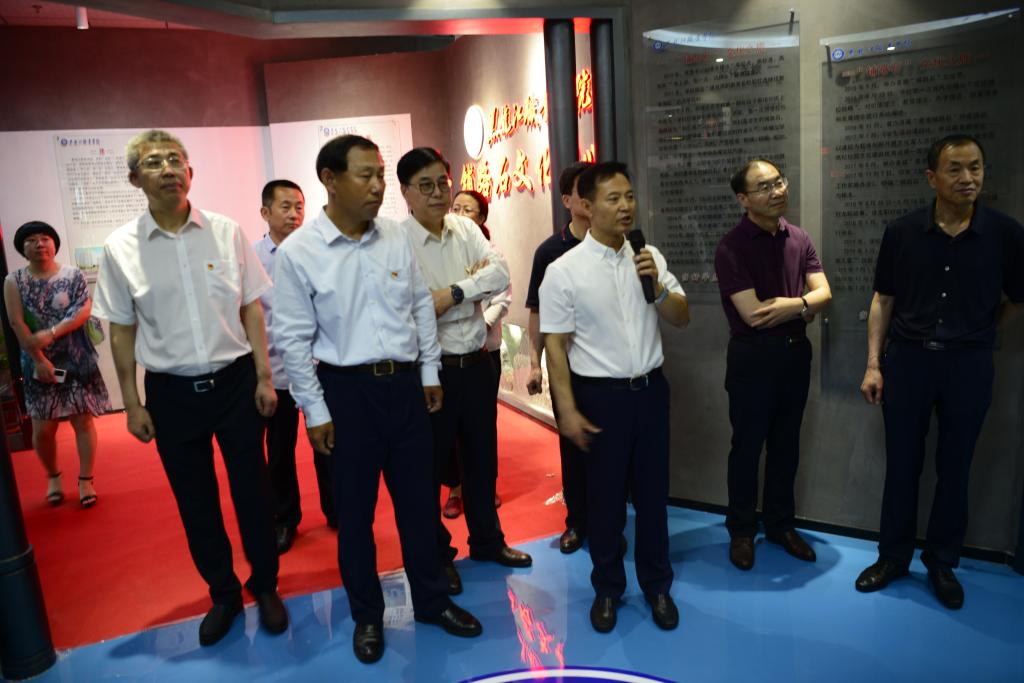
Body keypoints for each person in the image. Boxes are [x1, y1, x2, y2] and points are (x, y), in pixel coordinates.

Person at [272, 135, 482, 665]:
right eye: (364, 175)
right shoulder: (299, 252)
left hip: (406, 389)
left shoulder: (393, 237)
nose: (377, 186)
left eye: (380, 175)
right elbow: (293, 339)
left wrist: (429, 372)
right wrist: (315, 410)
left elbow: (419, 306)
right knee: (355, 515)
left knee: (418, 506)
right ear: (330, 179)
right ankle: (368, 615)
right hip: (346, 394)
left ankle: (431, 601)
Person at [92, 129, 287, 647]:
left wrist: (264, 376)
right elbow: (121, 329)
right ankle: (223, 594)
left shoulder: (226, 232)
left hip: (236, 383)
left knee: (254, 491)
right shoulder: (121, 248)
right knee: (195, 500)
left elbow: (250, 308)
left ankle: (266, 585)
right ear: (135, 179)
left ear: (190, 172)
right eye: (154, 162)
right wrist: (132, 403)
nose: (168, 169)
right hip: (172, 393)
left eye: (176, 159)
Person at [856, 134, 1024, 610]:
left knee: (956, 467)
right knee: (902, 465)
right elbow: (883, 299)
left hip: (969, 365)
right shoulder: (903, 231)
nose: (968, 178)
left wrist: (980, 330)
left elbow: (1017, 298)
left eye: (976, 167)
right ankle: (892, 558)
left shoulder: (1006, 234)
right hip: (908, 361)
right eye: (955, 169)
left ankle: (942, 562)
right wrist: (873, 364)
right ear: (932, 177)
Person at [540, 161, 689, 633]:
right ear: (586, 205)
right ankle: (607, 588)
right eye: (613, 198)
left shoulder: (648, 256)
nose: (626, 206)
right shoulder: (563, 271)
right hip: (600, 398)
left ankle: (657, 586)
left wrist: (658, 288)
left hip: (650, 392)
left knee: (653, 497)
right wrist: (566, 410)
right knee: (604, 502)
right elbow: (556, 348)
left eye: (629, 196)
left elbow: (681, 316)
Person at [398, 147, 532, 598]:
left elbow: (500, 275)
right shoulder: (398, 241)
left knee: (482, 459)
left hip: (477, 364)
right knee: (430, 466)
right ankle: (439, 557)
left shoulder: (466, 228)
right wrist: (464, 291)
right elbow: (414, 304)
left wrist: (453, 293)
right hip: (430, 372)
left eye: (443, 182)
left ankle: (488, 541)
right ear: (406, 192)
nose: (438, 192)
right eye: (426, 185)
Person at [713, 159, 832, 571]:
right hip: (752, 358)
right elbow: (754, 315)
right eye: (764, 187)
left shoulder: (799, 238)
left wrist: (794, 305)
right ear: (743, 199)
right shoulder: (732, 247)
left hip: (795, 354)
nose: (777, 191)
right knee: (747, 447)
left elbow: (824, 294)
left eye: (779, 182)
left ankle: (781, 525)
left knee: (786, 444)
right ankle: (742, 530)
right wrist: (805, 306)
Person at [3, 221, 111, 508]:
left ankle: (86, 480)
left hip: (76, 358)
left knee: (82, 420)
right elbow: (16, 323)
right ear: (22, 247)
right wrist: (39, 360)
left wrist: (51, 333)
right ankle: (53, 476)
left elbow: (83, 310)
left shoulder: (73, 274)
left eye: (45, 238)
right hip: (37, 360)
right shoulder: (14, 281)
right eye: (32, 240)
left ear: (54, 244)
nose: (40, 244)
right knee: (43, 428)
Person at [254, 179, 335, 555]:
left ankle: (336, 509)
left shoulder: (318, 249)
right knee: (279, 451)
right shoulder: (253, 258)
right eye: (285, 207)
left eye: (299, 206)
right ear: (265, 212)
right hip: (277, 370)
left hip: (321, 366)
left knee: (329, 442)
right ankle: (285, 518)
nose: (293, 214)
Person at [525, 161, 592, 553]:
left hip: (608, 367)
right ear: (567, 200)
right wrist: (534, 364)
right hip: (567, 365)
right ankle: (577, 523)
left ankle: (608, 520)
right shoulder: (550, 251)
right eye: (585, 190)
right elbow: (537, 313)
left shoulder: (618, 245)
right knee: (573, 448)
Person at [444, 189, 509, 517]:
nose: (459, 214)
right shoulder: (443, 250)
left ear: (481, 217)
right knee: (449, 427)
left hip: (485, 350)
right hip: (447, 355)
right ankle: (455, 488)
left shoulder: (491, 252)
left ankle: (486, 486)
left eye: (467, 210)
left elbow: (502, 297)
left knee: (483, 425)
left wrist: (480, 327)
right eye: (455, 207)